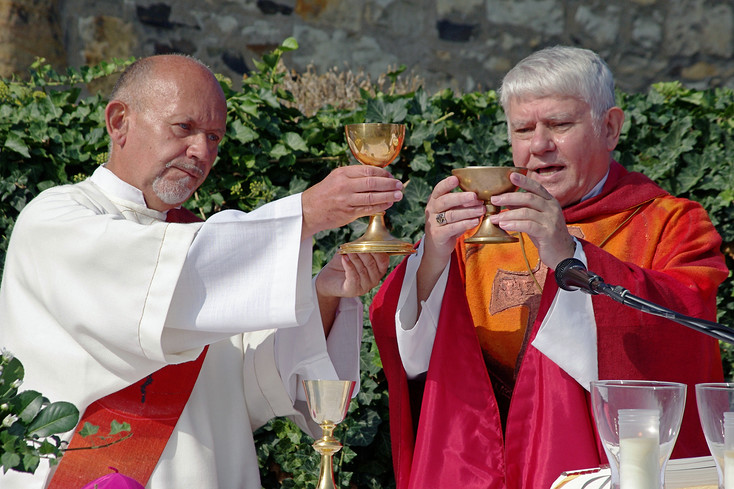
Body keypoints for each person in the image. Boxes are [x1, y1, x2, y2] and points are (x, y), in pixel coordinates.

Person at [0, 54, 404, 488]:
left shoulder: (202, 251)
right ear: (119, 122)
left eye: (213, 136)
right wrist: (306, 212)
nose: (201, 151)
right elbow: (167, 283)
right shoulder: (55, 220)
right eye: (184, 128)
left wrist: (325, 294)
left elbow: (255, 381)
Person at [370, 46, 728, 489]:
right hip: (479, 468)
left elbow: (683, 329)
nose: (539, 145)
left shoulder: (672, 223)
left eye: (560, 124)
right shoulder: (478, 232)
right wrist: (434, 258)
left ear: (610, 127)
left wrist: (568, 255)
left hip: (599, 470)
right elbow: (414, 354)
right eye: (523, 128)